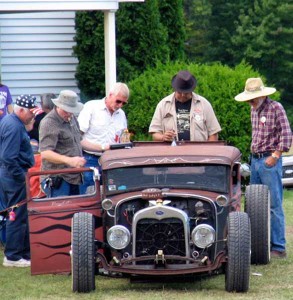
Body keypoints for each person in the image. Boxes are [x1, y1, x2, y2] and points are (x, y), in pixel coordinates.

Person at [235, 77, 292, 258]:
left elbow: (287, 135)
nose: (250, 102)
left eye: (252, 99)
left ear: (261, 96)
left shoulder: (276, 108)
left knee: (274, 205)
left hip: (269, 161)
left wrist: (275, 156)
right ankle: (259, 246)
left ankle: (278, 247)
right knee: (254, 205)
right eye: (249, 99)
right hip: (256, 160)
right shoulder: (254, 110)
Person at [0, 94, 37, 267]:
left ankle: (22, 253)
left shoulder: (11, 121)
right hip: (14, 177)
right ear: (21, 110)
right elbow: (8, 157)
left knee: (19, 215)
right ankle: (13, 256)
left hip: (10, 175)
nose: (33, 115)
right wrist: (21, 177)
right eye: (31, 112)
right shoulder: (14, 126)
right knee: (16, 215)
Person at [77, 82, 129, 193]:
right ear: (110, 95)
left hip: (112, 160)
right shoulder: (91, 107)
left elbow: (123, 137)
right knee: (89, 197)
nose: (120, 105)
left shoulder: (121, 114)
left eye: (123, 103)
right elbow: (78, 138)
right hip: (90, 158)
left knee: (112, 195)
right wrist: (102, 147)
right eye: (118, 101)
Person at [149, 70, 221, 142]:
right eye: (180, 92)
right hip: (171, 152)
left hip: (199, 152)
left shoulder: (204, 104)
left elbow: (213, 133)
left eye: (186, 93)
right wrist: (163, 137)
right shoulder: (163, 105)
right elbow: (155, 133)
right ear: (175, 89)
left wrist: (208, 151)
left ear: (192, 89)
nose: (183, 95)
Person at [39, 90, 86, 197]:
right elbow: (45, 153)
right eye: (66, 111)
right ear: (58, 106)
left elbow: (80, 141)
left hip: (74, 177)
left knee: (74, 212)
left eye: (71, 110)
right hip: (58, 179)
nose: (69, 113)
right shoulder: (49, 122)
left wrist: (103, 148)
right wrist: (70, 160)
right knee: (60, 213)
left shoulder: (72, 118)